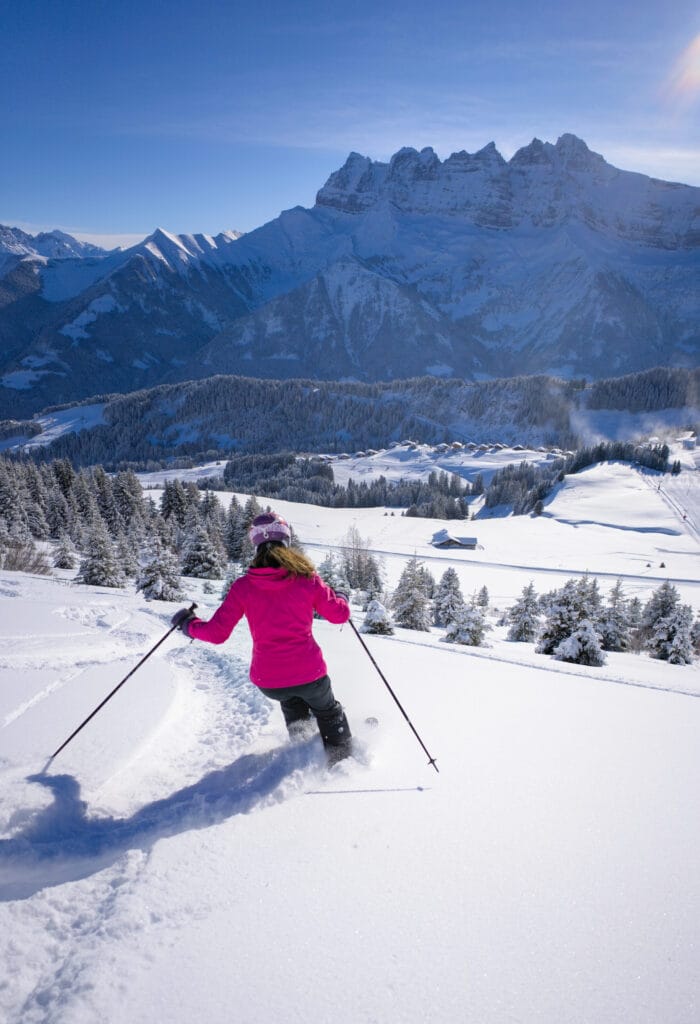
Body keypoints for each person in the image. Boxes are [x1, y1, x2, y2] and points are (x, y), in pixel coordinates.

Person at [171, 512, 353, 764]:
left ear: (256, 545)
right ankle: (341, 762)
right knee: (328, 710)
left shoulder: (243, 587)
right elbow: (339, 615)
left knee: (292, 704)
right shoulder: (306, 580)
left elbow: (216, 634)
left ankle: (302, 753)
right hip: (310, 674)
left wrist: (188, 625)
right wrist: (340, 596)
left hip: (269, 681)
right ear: (286, 541)